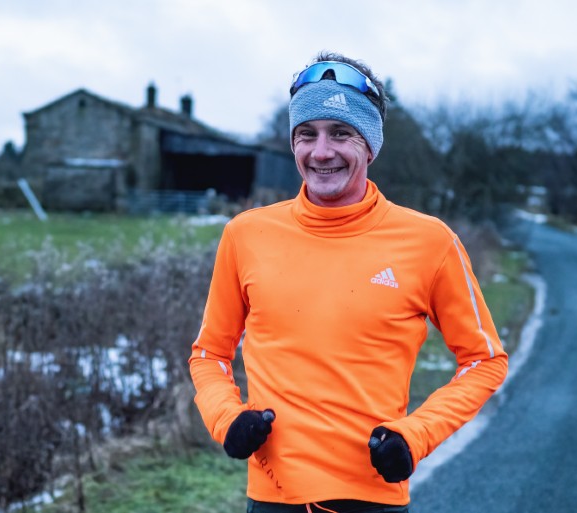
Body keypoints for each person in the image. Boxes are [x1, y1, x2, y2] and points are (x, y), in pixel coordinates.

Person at [188, 51, 508, 513]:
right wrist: (226, 418)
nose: (321, 152)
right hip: (274, 498)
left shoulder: (429, 241)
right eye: (307, 135)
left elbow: (484, 360)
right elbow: (209, 354)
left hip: (373, 498)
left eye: (341, 133)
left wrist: (415, 435)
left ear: (370, 145)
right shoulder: (246, 234)